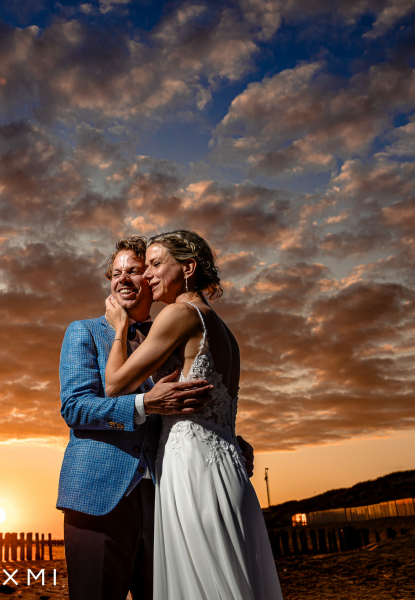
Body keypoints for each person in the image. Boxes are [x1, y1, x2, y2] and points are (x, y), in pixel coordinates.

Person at [56, 235, 254, 600]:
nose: (124, 279)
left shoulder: (177, 333)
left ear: (150, 277)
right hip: (101, 495)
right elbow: (75, 408)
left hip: (169, 497)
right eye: (116, 273)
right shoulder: (83, 332)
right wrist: (143, 404)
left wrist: (229, 440)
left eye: (135, 270)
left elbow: (197, 402)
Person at [104, 230, 283, 600]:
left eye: (156, 264)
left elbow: (115, 386)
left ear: (187, 267)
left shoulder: (180, 313)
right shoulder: (221, 328)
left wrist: (120, 329)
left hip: (191, 467)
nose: (148, 274)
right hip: (225, 463)